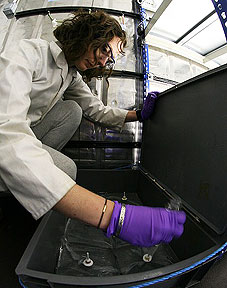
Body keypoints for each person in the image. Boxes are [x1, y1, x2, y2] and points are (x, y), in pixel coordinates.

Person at [0, 9, 185, 247]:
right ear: (89, 35)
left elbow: (96, 109)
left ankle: (31, 179)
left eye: (109, 59)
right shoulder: (29, 53)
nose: (103, 61)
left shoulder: (71, 75)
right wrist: (114, 216)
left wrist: (138, 114)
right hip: (7, 137)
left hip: (27, 131)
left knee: (72, 110)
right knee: (66, 168)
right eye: (105, 49)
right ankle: (21, 202)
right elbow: (5, 131)